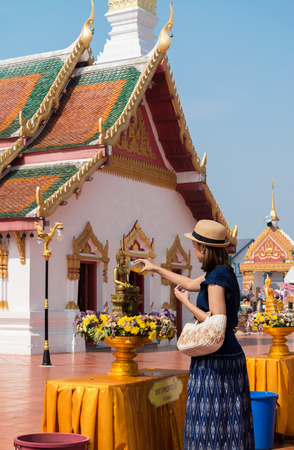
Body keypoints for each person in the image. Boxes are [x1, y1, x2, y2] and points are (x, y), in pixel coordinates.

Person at [135, 219, 255, 449]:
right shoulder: (221, 272)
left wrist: (185, 303)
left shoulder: (217, 280)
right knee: (226, 415)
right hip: (225, 352)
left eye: (196, 245)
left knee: (213, 417)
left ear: (204, 249)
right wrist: (155, 268)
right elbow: (190, 283)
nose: (193, 249)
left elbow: (215, 321)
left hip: (217, 357)